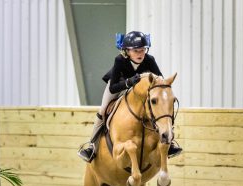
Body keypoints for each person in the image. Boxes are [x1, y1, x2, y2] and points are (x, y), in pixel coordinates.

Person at [77, 31, 183, 163]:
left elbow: (160, 80)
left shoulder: (150, 60)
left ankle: (169, 142)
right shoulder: (120, 60)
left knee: (162, 108)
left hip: (140, 91)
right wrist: (128, 82)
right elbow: (113, 87)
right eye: (136, 50)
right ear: (127, 51)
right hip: (119, 86)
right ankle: (92, 146)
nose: (140, 54)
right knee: (103, 109)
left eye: (143, 50)